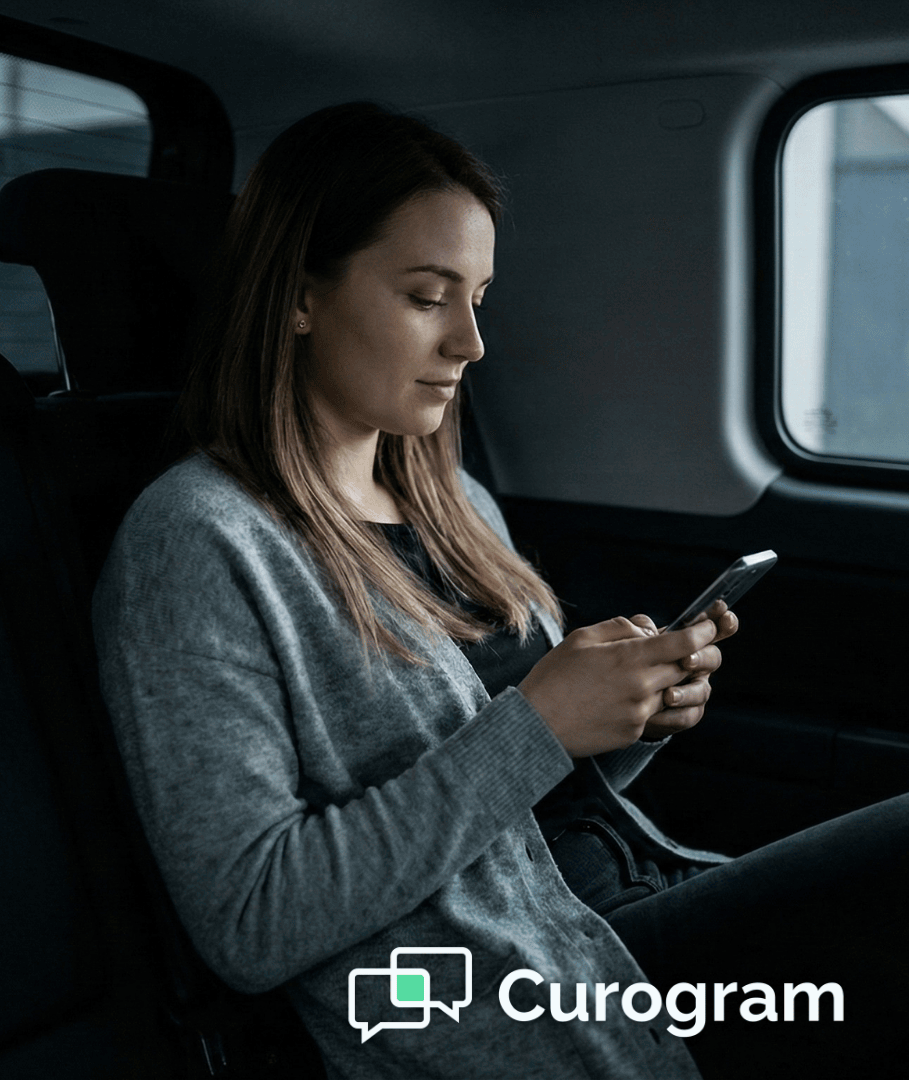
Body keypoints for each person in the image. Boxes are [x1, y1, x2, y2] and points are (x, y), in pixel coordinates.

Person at [94, 101, 907, 1079]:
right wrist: (541, 726)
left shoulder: (451, 497)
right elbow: (252, 922)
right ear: (300, 295)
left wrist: (628, 722)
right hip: (489, 986)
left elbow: (523, 799)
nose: (471, 342)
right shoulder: (199, 542)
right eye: (428, 296)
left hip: (597, 908)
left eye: (478, 296)